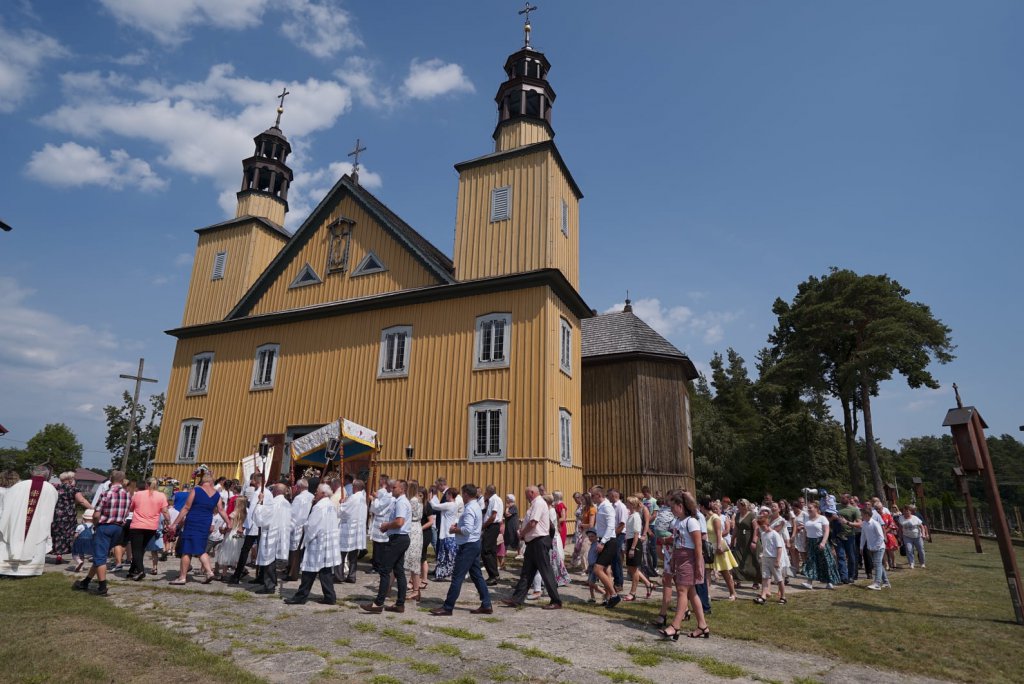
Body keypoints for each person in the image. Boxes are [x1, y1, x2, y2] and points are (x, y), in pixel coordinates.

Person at [431, 484, 493, 616]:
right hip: (474, 543)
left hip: (468, 546)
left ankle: (448, 607)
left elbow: (467, 530)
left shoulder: (470, 508)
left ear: (465, 494)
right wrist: (459, 525)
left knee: (457, 576)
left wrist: (455, 529)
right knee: (477, 576)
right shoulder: (476, 505)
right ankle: (486, 604)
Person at [501, 485, 562, 610]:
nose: (525, 497)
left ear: (532, 493)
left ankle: (556, 600)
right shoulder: (535, 504)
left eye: (526, 494)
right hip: (533, 542)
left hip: (539, 541)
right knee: (526, 573)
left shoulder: (539, 503)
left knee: (546, 571)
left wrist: (522, 533)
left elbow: (533, 523)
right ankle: (516, 599)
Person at [659, 491, 709, 640]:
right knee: (691, 592)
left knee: (682, 591)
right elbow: (676, 542)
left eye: (673, 507)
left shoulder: (691, 521)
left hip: (689, 558)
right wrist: (673, 559)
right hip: (680, 557)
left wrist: (699, 566)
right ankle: (702, 626)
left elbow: (698, 545)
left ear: (681, 506)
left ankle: (675, 626)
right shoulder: (678, 522)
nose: (671, 510)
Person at [73, 469, 129, 593]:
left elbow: (97, 514)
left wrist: (95, 525)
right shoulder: (127, 494)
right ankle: (85, 582)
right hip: (119, 527)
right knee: (100, 555)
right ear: (122, 480)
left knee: (99, 557)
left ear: (111, 478)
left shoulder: (107, 493)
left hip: (105, 526)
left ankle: (102, 586)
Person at [286, 484, 341, 605]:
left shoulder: (319, 507)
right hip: (327, 541)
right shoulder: (330, 505)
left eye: (317, 492)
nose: (315, 494)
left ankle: (301, 596)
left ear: (323, 494)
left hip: (318, 543)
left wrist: (305, 528)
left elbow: (312, 526)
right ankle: (330, 596)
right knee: (325, 570)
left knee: (309, 571)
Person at [169, 472, 228, 585]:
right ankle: (209, 572)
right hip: (205, 523)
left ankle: (182, 577)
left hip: (193, 522)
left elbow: (186, 507)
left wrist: (175, 523)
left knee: (186, 550)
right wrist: (228, 523)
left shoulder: (196, 490)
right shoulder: (217, 495)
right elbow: (221, 510)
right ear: (211, 482)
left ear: (203, 481)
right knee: (200, 549)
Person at [0, 465, 58, 577]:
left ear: (32, 473)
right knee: (36, 540)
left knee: (13, 541)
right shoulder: (51, 489)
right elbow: (50, 509)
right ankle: (30, 571)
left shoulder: (19, 486)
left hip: (17, 523)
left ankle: (7, 570)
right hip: (39, 524)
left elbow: (8, 505)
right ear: (47, 475)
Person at [362, 479, 411, 613]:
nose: (392, 489)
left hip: (398, 539)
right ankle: (400, 604)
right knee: (398, 571)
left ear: (402, 489)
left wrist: (387, 525)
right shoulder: (400, 501)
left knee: (384, 570)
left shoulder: (401, 502)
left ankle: (378, 603)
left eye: (394, 487)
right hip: (400, 538)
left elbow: (400, 522)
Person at [249, 483, 292, 594]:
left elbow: (260, 518)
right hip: (281, 534)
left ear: (276, 491)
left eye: (273, 490)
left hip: (271, 534)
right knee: (271, 561)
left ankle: (269, 586)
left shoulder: (273, 503)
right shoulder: (287, 503)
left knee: (269, 561)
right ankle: (272, 582)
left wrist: (259, 502)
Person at [127, 477, 171, 581]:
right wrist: (168, 522)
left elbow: (131, 508)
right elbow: (165, 511)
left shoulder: (138, 494)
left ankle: (141, 570)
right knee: (141, 549)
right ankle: (132, 570)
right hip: (151, 526)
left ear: (146, 484)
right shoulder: (161, 496)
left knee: (136, 549)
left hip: (138, 525)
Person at [588, 486, 621, 608]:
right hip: (603, 540)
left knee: (597, 569)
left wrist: (602, 542)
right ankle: (609, 597)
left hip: (608, 541)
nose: (592, 498)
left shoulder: (607, 507)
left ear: (598, 495)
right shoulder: (601, 506)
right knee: (606, 571)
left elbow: (611, 526)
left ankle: (614, 595)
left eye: (593, 496)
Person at [51, 472, 93, 564]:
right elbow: (81, 500)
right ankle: (75, 555)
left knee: (58, 534)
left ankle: (58, 554)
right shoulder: (73, 489)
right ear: (70, 479)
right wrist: (92, 508)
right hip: (68, 516)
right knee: (69, 534)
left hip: (56, 515)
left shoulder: (55, 487)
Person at [800, 501, 840, 589]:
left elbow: (826, 531)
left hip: (820, 541)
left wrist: (823, 542)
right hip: (810, 542)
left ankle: (830, 582)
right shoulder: (806, 518)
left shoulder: (822, 518)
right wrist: (805, 542)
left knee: (826, 561)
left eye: (811, 508)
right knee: (811, 561)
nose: (809, 509)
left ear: (817, 509)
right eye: (808, 508)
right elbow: (806, 531)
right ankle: (809, 582)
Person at [622, 496, 654, 601]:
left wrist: (632, 548)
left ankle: (633, 593)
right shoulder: (631, 515)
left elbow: (636, 534)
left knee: (634, 569)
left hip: (635, 543)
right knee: (631, 568)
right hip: (630, 541)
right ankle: (648, 584)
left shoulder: (636, 516)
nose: (626, 504)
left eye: (628, 502)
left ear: (632, 504)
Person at [337, 479, 367, 583]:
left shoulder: (354, 498)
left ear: (355, 487)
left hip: (348, 528)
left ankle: (338, 575)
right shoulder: (363, 497)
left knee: (341, 552)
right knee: (353, 554)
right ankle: (352, 575)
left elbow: (343, 511)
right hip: (357, 529)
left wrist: (341, 504)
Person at [707, 500, 738, 600]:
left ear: (721, 509)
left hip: (719, 545)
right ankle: (706, 595)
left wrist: (719, 544)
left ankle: (732, 592)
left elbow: (722, 532)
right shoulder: (708, 517)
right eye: (713, 508)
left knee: (725, 571)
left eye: (717, 508)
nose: (715, 510)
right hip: (710, 546)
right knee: (707, 570)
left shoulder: (720, 518)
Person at [754, 513, 786, 605]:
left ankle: (783, 596)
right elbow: (765, 546)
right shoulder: (763, 534)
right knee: (764, 577)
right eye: (760, 527)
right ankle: (763, 596)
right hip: (765, 558)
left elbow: (779, 548)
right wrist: (763, 554)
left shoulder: (774, 534)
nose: (762, 529)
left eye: (763, 527)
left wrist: (777, 560)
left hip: (773, 558)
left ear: (768, 525)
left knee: (779, 579)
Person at [431, 486, 462, 580]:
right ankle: (445, 574)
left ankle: (445, 574)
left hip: (447, 534)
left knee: (446, 555)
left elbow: (434, 506)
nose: (445, 496)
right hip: (450, 534)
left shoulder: (449, 504)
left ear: (450, 495)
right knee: (449, 555)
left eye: (447, 494)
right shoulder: (454, 505)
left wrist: (432, 495)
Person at [287, 478, 314, 581]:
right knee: (302, 551)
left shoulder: (298, 498)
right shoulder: (312, 496)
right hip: (307, 526)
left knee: (295, 552)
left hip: (298, 526)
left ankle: (293, 572)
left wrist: (289, 527)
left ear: (299, 487)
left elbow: (293, 514)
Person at [215, 497, 248, 580]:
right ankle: (242, 569)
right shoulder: (245, 513)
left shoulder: (234, 513)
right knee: (237, 553)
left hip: (231, 534)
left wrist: (223, 530)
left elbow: (230, 527)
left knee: (226, 553)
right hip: (240, 536)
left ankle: (224, 574)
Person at [731, 499, 760, 587]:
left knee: (752, 560)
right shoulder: (737, 515)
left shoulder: (752, 515)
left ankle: (756, 581)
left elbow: (756, 528)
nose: (739, 507)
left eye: (740, 505)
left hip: (749, 540)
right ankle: (738, 579)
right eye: (738, 505)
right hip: (740, 541)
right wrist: (732, 539)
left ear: (745, 506)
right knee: (737, 559)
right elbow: (736, 528)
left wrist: (754, 541)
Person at [368, 476, 394, 574]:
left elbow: (378, 508)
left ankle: (377, 566)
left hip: (382, 521)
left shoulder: (388, 496)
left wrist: (373, 499)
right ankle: (377, 563)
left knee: (380, 545)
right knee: (378, 545)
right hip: (381, 521)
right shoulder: (387, 494)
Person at [404, 482, 425, 602]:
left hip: (413, 528)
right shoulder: (418, 499)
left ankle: (416, 590)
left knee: (413, 559)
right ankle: (415, 588)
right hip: (417, 527)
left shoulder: (412, 500)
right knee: (414, 559)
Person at [861, 508, 890, 590]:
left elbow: (881, 537)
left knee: (877, 564)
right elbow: (863, 536)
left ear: (866, 515)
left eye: (862, 514)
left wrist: (876, 547)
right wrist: (861, 547)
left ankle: (877, 583)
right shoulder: (864, 524)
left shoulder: (875, 523)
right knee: (879, 564)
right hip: (871, 547)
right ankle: (886, 582)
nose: (861, 516)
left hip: (879, 547)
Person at [480, 484, 503, 585]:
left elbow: (493, 516)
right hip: (492, 526)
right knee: (491, 550)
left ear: (488, 491)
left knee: (486, 550)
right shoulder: (493, 500)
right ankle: (494, 574)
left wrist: (484, 526)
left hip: (492, 526)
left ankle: (493, 575)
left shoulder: (494, 500)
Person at [608, 489, 629, 592]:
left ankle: (619, 583)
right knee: (613, 559)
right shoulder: (612, 506)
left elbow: (622, 524)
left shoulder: (621, 507)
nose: (608, 498)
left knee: (616, 559)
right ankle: (616, 581)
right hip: (613, 533)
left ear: (613, 495)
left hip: (618, 534)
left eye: (609, 496)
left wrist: (613, 535)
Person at [503, 494, 520, 560]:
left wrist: (507, 508)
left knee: (515, 537)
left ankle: (519, 553)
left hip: (513, 525)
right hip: (508, 525)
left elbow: (507, 514)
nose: (506, 499)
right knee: (506, 538)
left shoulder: (513, 507)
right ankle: (504, 553)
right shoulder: (509, 507)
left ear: (510, 499)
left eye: (507, 498)